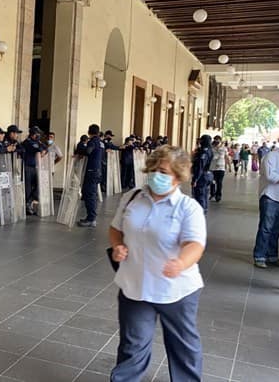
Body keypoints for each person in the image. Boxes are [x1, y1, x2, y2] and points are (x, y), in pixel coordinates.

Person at [109, 145, 206, 382]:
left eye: (163, 171)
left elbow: (195, 245)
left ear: (178, 175)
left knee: (183, 346)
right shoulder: (132, 197)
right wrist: (117, 246)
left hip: (176, 290)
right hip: (135, 286)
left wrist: (181, 263)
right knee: (133, 344)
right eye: (153, 169)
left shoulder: (188, 208)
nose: (156, 175)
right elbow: (115, 229)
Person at [252, 137, 279, 269]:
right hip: (270, 197)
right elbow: (271, 176)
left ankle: (272, 256)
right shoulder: (271, 156)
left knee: (277, 230)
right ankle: (259, 255)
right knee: (266, 228)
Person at [76, 124, 104, 227]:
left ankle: (91, 219)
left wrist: (80, 152)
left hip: (92, 171)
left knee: (89, 194)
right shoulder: (101, 143)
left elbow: (88, 151)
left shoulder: (93, 141)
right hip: (98, 170)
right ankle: (90, 217)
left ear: (89, 132)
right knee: (91, 194)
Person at [21, 126, 48, 215]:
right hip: (27, 166)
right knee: (28, 188)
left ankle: (30, 200)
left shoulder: (37, 141)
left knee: (39, 184)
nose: (38, 136)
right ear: (32, 134)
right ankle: (27, 207)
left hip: (35, 166)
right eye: (37, 134)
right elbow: (36, 148)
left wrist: (44, 150)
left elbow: (45, 147)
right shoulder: (27, 142)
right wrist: (42, 149)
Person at [191, 135, 213, 214]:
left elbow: (200, 166)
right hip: (208, 174)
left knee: (199, 195)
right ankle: (204, 210)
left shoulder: (204, 152)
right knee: (204, 194)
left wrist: (195, 179)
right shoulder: (209, 150)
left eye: (201, 140)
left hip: (202, 176)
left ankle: (200, 212)